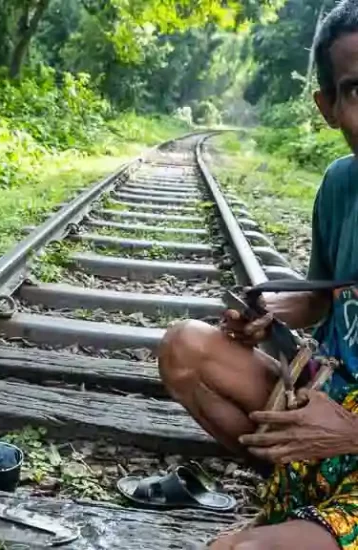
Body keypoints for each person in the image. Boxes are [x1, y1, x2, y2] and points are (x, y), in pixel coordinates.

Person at [159, 2, 358, 549]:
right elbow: (321, 299)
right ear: (329, 107)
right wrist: (267, 314)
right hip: (325, 401)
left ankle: (309, 513)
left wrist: (351, 435)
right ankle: (305, 495)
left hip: (347, 429)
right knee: (183, 348)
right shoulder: (342, 185)